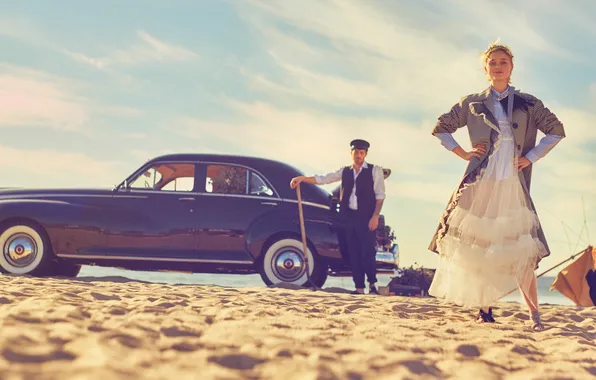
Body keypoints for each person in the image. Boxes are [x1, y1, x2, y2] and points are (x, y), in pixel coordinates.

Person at [427, 40, 565, 331]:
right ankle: (484, 310)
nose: (498, 66)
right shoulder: (472, 103)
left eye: (503, 62)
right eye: (492, 62)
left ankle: (534, 315)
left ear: (511, 67)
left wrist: (531, 157)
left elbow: (556, 131)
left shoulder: (528, 102)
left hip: (513, 184)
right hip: (482, 183)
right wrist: (462, 153)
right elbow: (441, 127)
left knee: (522, 249)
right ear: (485, 68)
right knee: (481, 247)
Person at [290, 139, 386, 295]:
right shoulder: (345, 171)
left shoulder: (375, 171)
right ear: (351, 153)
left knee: (367, 252)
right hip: (349, 217)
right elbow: (324, 178)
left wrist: (375, 216)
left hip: (366, 217)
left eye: (361, 153)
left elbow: (380, 196)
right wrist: (302, 179)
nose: (358, 156)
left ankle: (372, 284)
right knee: (352, 252)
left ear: (365, 154)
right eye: (356, 153)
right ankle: (359, 288)